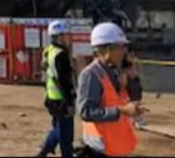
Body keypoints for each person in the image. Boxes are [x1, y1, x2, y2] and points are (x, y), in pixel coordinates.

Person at [78, 22, 144, 157]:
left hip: (118, 145)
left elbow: (134, 98)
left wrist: (133, 79)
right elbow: (86, 111)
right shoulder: (91, 75)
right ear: (105, 49)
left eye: (123, 47)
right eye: (119, 47)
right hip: (100, 148)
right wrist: (121, 111)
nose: (123, 51)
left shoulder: (117, 71)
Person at [38, 20, 76, 158]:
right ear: (59, 36)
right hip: (61, 99)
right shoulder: (60, 55)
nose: (69, 37)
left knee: (57, 128)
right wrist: (69, 100)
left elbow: (46, 75)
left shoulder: (49, 51)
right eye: (66, 35)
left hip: (52, 97)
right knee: (65, 134)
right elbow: (63, 80)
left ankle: (46, 149)